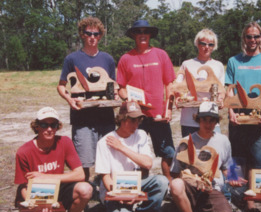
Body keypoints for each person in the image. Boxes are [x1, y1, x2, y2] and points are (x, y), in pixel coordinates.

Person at [225, 21, 261, 212]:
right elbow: (229, 88)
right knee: (237, 158)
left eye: (256, 36)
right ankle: (231, 196)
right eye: (249, 36)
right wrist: (230, 111)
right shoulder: (234, 61)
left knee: (257, 158)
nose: (253, 40)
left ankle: (251, 203)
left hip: (260, 119)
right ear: (244, 38)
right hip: (238, 118)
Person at [14, 107, 92, 212]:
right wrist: (36, 205)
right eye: (44, 125)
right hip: (33, 193)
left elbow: (80, 175)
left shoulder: (64, 142)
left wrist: (46, 177)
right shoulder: (24, 151)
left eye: (53, 125)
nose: (49, 129)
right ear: (37, 126)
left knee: (86, 189)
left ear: (58, 127)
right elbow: (23, 186)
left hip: (56, 188)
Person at [95, 101, 168, 212]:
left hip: (135, 184)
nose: (136, 124)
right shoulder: (104, 142)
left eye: (138, 120)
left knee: (162, 181)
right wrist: (123, 194)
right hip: (113, 190)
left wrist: (121, 148)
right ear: (122, 119)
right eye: (132, 120)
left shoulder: (140, 134)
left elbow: (147, 164)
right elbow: (105, 177)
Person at [57, 17, 116, 181]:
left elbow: (113, 86)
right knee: (84, 162)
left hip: (106, 118)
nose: (92, 37)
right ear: (82, 34)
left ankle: (107, 190)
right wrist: (70, 100)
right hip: (82, 119)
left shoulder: (108, 59)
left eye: (96, 34)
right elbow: (61, 86)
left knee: (109, 158)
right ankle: (86, 190)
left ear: (100, 36)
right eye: (88, 33)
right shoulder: (72, 59)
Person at [117, 20, 176, 181]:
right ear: (133, 35)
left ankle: (171, 187)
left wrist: (168, 109)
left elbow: (169, 85)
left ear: (150, 35)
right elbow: (120, 88)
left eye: (145, 31)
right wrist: (129, 99)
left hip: (158, 114)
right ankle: (138, 186)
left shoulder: (161, 54)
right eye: (138, 31)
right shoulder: (126, 58)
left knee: (168, 152)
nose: (142, 34)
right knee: (136, 153)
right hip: (135, 116)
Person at [170, 102, 234, 212]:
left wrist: (233, 179)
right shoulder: (186, 142)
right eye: (204, 119)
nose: (208, 124)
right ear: (198, 119)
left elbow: (226, 167)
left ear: (217, 122)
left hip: (212, 188)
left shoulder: (223, 141)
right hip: (190, 187)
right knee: (175, 184)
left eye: (212, 120)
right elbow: (175, 172)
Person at [175, 28, 225, 137]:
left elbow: (222, 90)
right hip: (189, 119)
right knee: (190, 152)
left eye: (210, 44)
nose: (207, 47)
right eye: (203, 43)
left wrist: (221, 99)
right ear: (197, 44)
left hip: (211, 119)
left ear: (214, 46)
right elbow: (178, 87)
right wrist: (178, 97)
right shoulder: (186, 64)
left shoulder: (219, 65)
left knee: (212, 151)